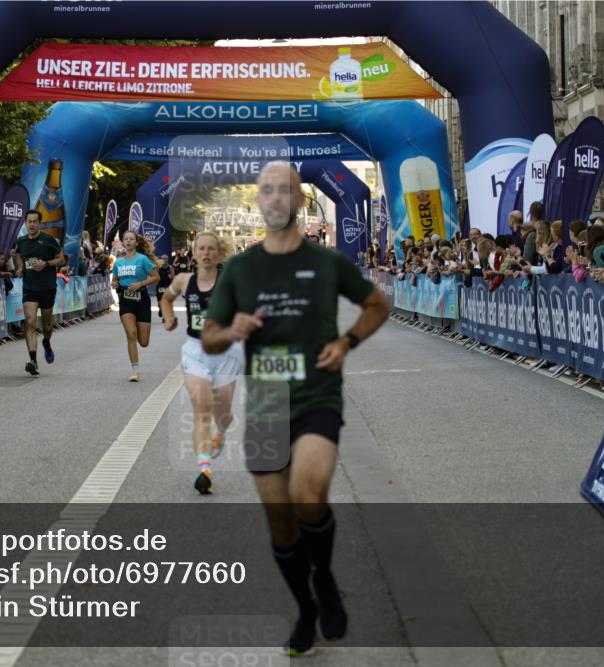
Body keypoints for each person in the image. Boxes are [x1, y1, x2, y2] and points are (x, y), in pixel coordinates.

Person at [201, 162, 390, 656]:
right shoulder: (241, 269)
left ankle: (324, 580)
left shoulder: (327, 263)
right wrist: (233, 328)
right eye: (267, 190)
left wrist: (347, 341)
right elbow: (210, 338)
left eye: (285, 189)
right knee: (281, 520)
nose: (276, 198)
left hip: (316, 396)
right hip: (267, 401)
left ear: (300, 201)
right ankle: (306, 606)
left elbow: (377, 305)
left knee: (308, 493)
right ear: (259, 202)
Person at [160, 231, 244, 495]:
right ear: (194, 253)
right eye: (202, 249)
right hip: (195, 351)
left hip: (227, 352)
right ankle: (204, 469)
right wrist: (168, 317)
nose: (206, 253)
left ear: (219, 254)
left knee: (224, 414)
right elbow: (166, 298)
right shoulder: (184, 281)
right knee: (202, 410)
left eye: (211, 249)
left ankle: (220, 432)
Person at [14, 210, 64, 375]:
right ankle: (33, 361)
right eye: (29, 221)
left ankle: (47, 341)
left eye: (35, 221)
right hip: (30, 287)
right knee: (30, 322)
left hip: (48, 287)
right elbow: (18, 255)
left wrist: (47, 264)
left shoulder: (49, 240)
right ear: (26, 223)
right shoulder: (21, 241)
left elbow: (62, 259)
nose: (32, 224)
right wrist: (20, 267)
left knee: (47, 326)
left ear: (40, 223)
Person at [111, 230, 159, 382]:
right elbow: (114, 281)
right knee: (131, 334)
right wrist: (115, 283)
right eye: (126, 239)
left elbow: (156, 277)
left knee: (143, 342)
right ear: (123, 243)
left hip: (142, 300)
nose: (129, 241)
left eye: (132, 239)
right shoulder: (118, 263)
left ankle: (139, 328)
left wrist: (140, 284)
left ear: (136, 243)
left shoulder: (143, 259)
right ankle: (135, 371)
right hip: (125, 299)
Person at [155, 254, 174, 323]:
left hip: (167, 287)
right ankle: (160, 308)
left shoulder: (170, 268)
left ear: (168, 259)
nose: (164, 260)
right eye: (163, 259)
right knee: (160, 303)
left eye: (166, 259)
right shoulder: (158, 267)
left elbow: (173, 277)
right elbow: (155, 276)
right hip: (160, 286)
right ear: (161, 259)